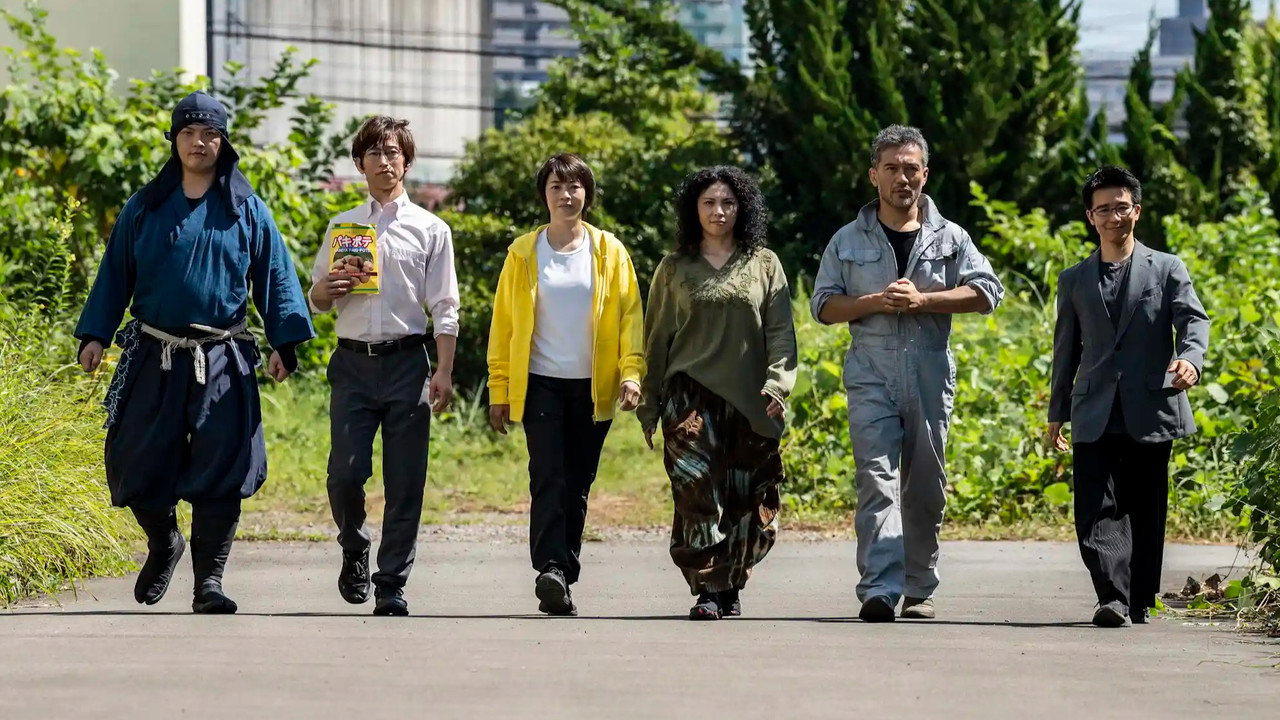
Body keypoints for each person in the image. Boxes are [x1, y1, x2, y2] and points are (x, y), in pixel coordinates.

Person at [75, 91, 314, 614]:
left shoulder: (246, 208)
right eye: (188, 133)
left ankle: (209, 582)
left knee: (224, 465)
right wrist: (95, 334)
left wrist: (285, 342)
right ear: (174, 140)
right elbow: (115, 272)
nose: (198, 143)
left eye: (209, 134)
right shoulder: (145, 206)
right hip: (153, 353)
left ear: (223, 143)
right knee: (134, 458)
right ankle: (164, 542)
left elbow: (275, 274)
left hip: (223, 355)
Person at [810, 124, 1005, 622]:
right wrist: (875, 301)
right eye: (892, 168)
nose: (902, 178)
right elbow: (824, 305)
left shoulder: (951, 236)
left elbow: (988, 292)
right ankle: (879, 588)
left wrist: (924, 301)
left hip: (929, 374)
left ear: (925, 174)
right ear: (873, 175)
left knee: (925, 485)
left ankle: (919, 587)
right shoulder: (847, 239)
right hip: (870, 374)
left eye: (911, 168)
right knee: (877, 480)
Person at [309, 116, 459, 617]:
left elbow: (445, 306)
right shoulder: (343, 227)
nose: (384, 161)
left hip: (408, 363)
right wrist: (323, 291)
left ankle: (391, 582)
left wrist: (443, 369)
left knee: (405, 481)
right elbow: (317, 300)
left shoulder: (431, 229)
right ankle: (354, 544)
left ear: (407, 162)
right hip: (352, 363)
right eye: (374, 153)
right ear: (359, 163)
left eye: (393, 152)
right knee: (344, 473)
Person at [1049, 166, 1209, 628]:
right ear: (1090, 217)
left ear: (1136, 211)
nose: (1113, 216)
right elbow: (1066, 349)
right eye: (1103, 210)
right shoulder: (1074, 279)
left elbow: (1193, 320)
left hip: (1151, 405)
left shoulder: (1167, 268)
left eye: (1121, 207)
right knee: (1094, 506)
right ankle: (1111, 596)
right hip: (1093, 406)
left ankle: (1139, 598)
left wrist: (1190, 359)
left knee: (1145, 506)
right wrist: (1057, 411)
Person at [486, 153, 644, 616]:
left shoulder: (610, 251)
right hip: (540, 384)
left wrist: (631, 372)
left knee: (577, 482)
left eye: (574, 186)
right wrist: (499, 389)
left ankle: (563, 575)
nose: (566, 195)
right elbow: (503, 325)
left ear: (587, 195)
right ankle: (551, 570)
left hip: (592, 388)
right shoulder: (522, 253)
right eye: (556, 186)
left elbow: (630, 316)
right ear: (544, 195)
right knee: (548, 475)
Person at [638, 166, 797, 620]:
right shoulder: (674, 268)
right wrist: (650, 405)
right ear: (694, 209)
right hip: (688, 397)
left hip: (751, 399)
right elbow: (656, 339)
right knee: (696, 490)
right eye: (709, 202)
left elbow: (781, 333)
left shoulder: (764, 264)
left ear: (742, 209)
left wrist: (778, 384)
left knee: (748, 498)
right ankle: (708, 585)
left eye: (728, 202)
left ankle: (731, 580)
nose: (719, 211)